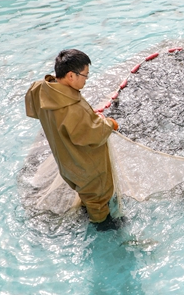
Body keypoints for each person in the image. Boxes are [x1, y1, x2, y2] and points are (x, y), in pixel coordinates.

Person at [25, 49, 121, 230]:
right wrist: (110, 124)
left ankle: (88, 211)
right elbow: (93, 135)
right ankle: (102, 226)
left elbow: (33, 110)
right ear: (70, 75)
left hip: (65, 161)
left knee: (84, 192)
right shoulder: (73, 109)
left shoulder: (39, 89)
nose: (86, 80)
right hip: (85, 166)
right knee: (98, 197)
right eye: (85, 76)